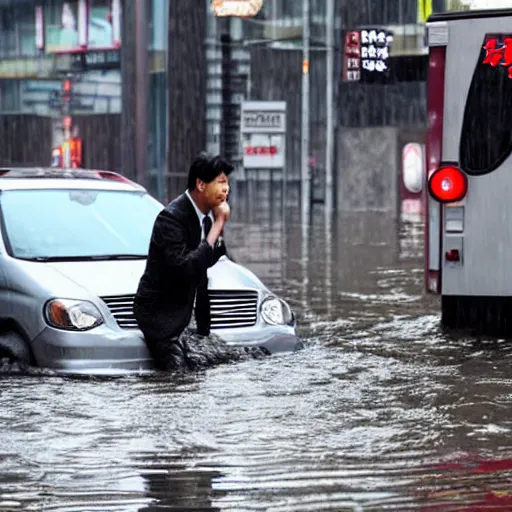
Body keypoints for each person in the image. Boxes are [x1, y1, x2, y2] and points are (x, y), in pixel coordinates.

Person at [134, 152, 267, 371]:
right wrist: (217, 226)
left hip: (188, 319)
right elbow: (187, 268)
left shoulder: (205, 216)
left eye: (227, 184)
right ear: (201, 184)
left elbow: (212, 257)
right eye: (221, 183)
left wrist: (217, 227)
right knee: (180, 380)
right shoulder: (171, 218)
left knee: (245, 358)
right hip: (161, 320)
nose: (226, 189)